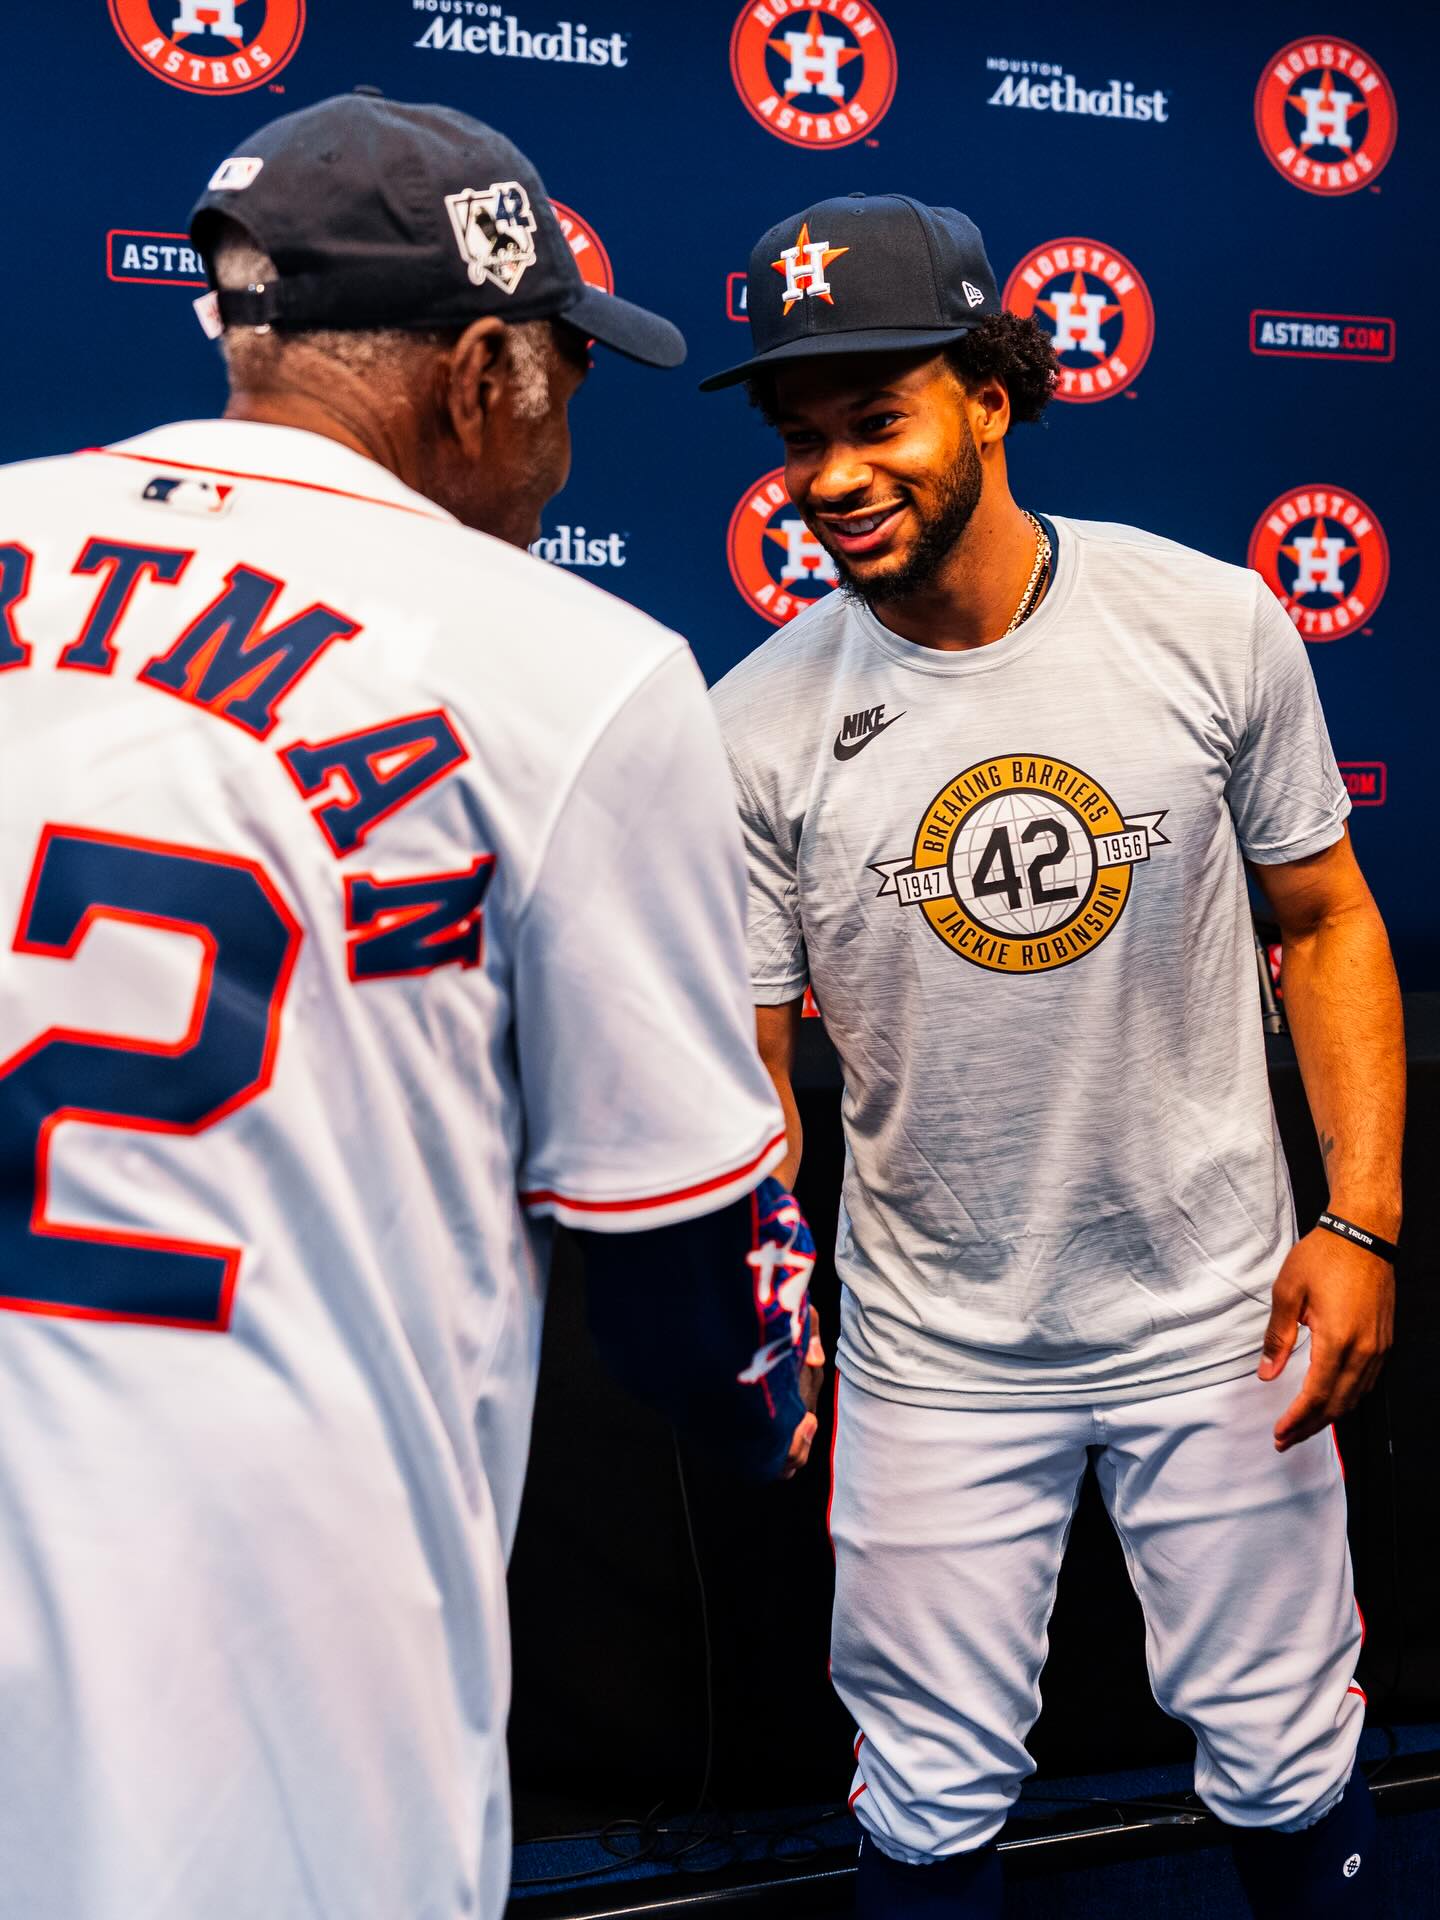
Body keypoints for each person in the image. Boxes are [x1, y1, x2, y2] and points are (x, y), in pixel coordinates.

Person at [0, 93, 821, 1920]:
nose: (566, 436)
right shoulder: (575, 665)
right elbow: (700, 1297)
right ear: (479, 377)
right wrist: (782, 1394)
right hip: (271, 1695)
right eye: (564, 378)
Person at [703, 193, 1404, 1919]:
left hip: (1221, 1314)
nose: (836, 476)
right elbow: (756, 1076)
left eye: (878, 422)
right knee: (928, 1795)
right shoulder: (753, 725)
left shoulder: (1209, 622)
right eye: (806, 443)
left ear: (990, 397)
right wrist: (763, 1311)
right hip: (939, 1348)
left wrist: (1366, 1222)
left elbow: (1323, 924)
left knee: (1287, 1751)